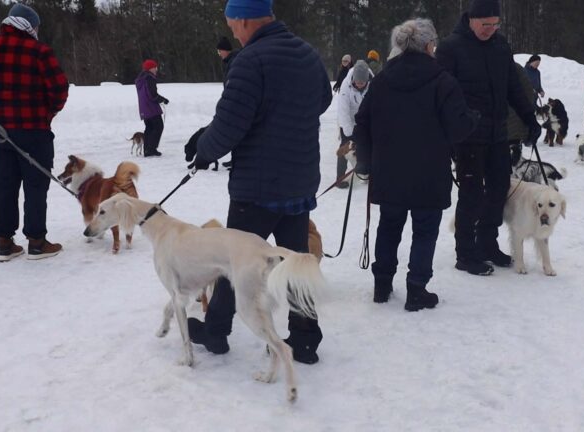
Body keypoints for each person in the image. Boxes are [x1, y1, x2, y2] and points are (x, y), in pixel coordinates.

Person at [191, 0, 332, 364]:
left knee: (234, 262)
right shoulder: (307, 53)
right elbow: (322, 99)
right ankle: (304, 339)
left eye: (232, 25)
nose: (233, 33)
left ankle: (216, 331)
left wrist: (203, 149)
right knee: (296, 263)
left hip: (258, 188)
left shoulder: (250, 61)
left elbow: (230, 125)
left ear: (243, 19)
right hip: (299, 183)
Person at [353, 18, 477, 311]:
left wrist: (366, 161)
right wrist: (473, 119)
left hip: (390, 173)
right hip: (429, 175)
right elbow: (459, 129)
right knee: (424, 231)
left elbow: (362, 123)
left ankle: (382, 285)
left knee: (389, 227)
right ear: (428, 45)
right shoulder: (443, 81)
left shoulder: (382, 80)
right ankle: (417, 289)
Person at [436, 0, 541, 276]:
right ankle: (465, 252)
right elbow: (441, 94)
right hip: (467, 136)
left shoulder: (500, 45)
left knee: (498, 189)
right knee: (471, 193)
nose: (490, 30)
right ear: (471, 19)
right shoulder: (451, 48)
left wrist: (530, 118)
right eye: (485, 25)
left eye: (495, 24)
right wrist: (447, 133)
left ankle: (487, 244)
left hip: (497, 133)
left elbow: (513, 87)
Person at [0, 3, 68, 261]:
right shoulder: (40, 52)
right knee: (36, 186)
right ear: (30, 26)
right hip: (34, 132)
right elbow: (59, 91)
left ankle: (4, 243)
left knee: (5, 184)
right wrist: (47, 114)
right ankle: (36, 242)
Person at [336, 60, 370, 189]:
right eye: (357, 82)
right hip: (348, 119)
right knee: (344, 148)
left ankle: (365, 173)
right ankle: (340, 179)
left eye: (362, 83)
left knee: (367, 146)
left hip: (364, 120)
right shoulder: (346, 86)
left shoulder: (373, 84)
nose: (360, 85)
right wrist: (350, 134)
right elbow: (343, 112)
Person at [135, 59, 169, 157]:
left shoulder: (141, 78)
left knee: (149, 128)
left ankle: (147, 149)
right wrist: (162, 99)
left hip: (144, 108)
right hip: (151, 107)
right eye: (155, 67)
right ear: (150, 68)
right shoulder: (149, 78)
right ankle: (151, 149)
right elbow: (152, 94)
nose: (156, 69)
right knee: (158, 127)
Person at [507, 61, 535, 150]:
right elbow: (528, 96)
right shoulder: (514, 67)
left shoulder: (515, 68)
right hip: (514, 131)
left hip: (512, 129)